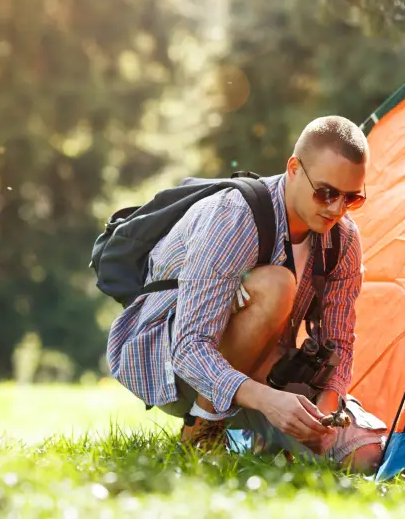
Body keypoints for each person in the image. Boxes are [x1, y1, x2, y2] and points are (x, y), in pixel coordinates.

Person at [106, 116, 387, 472]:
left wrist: (328, 409)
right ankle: (203, 428)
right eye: (327, 193)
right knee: (277, 285)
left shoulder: (343, 238)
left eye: (352, 198)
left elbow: (339, 342)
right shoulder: (235, 215)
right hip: (173, 366)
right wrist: (270, 401)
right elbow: (189, 346)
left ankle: (270, 441)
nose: (337, 209)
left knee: (364, 458)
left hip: (266, 367)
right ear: (294, 169)